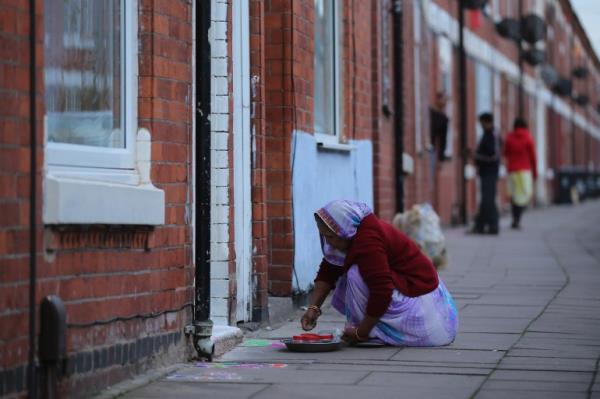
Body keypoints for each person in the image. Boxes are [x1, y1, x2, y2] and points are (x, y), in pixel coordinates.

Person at [300, 200, 458, 347]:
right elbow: (328, 269)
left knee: (355, 274)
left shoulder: (368, 241)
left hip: (427, 312)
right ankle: (369, 328)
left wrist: (361, 333)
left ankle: (374, 331)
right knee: (350, 270)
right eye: (324, 236)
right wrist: (313, 308)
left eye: (331, 237)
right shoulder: (351, 235)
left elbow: (382, 291)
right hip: (414, 295)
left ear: (345, 231)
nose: (328, 243)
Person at [503, 117, 537, 229]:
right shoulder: (528, 137)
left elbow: (506, 153)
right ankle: (518, 218)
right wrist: (535, 173)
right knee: (523, 195)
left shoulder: (509, 137)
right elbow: (533, 157)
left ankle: (514, 218)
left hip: (512, 170)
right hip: (524, 171)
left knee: (514, 195)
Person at [472, 112, 501, 234]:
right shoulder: (488, 134)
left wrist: (477, 156)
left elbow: (492, 156)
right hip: (486, 172)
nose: (481, 125)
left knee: (488, 200)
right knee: (486, 199)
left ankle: (491, 226)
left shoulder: (492, 135)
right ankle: (481, 225)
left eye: (482, 123)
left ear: (487, 122)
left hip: (490, 172)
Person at [429, 92, 450, 162]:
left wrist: (441, 157)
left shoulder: (444, 119)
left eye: (446, 101)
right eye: (443, 100)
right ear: (438, 99)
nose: (444, 103)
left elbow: (443, 139)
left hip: (432, 148)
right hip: (427, 145)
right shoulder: (429, 112)